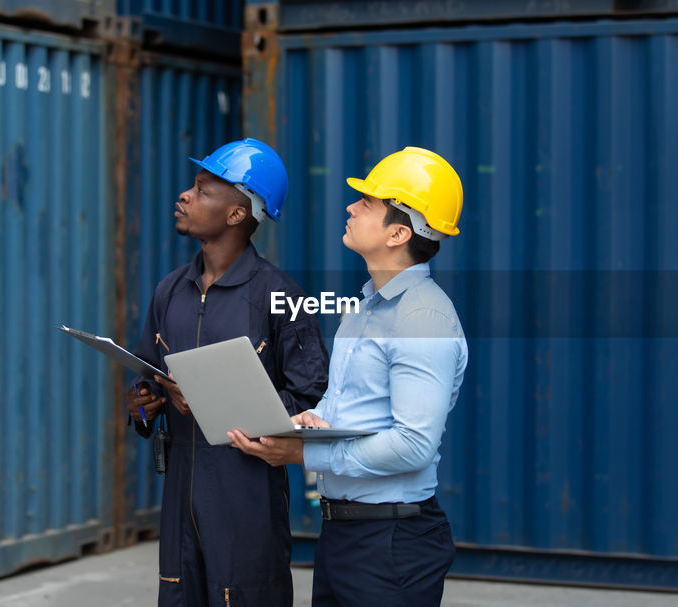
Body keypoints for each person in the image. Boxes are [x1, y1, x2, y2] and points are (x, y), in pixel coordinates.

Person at [229, 146, 468, 606]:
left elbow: (414, 444)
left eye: (369, 203)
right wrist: (309, 423)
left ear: (398, 232)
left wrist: (304, 456)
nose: (351, 207)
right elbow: (351, 406)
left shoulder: (422, 317)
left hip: (391, 542)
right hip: (345, 533)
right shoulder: (364, 308)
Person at [126, 138, 329, 606]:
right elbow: (144, 376)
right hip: (181, 498)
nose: (185, 195)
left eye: (202, 189)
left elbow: (311, 400)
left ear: (237, 214)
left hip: (246, 500)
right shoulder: (170, 291)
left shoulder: (283, 297)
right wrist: (144, 402)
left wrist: (223, 400)